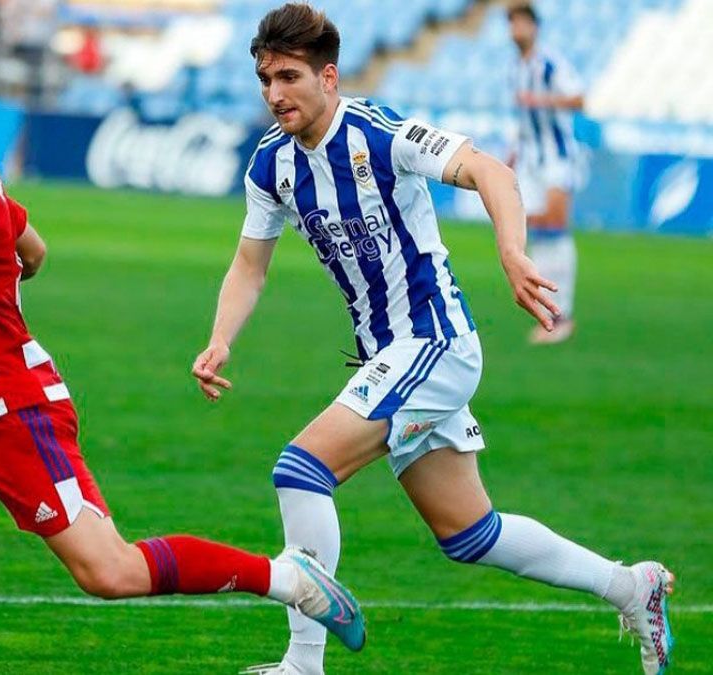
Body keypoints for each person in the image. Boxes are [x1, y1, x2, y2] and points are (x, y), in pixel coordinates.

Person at [0, 44, 363, 675]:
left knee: (111, 571)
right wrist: (16, 263)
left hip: (13, 416)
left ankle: (287, 577)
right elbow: (30, 242)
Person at [190, 5, 673, 674]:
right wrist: (220, 340)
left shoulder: (380, 132)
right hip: (393, 358)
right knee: (471, 533)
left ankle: (302, 664)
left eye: (289, 77)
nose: (275, 94)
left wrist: (511, 249)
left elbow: (491, 172)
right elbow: (250, 264)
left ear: (328, 77)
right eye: (265, 78)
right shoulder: (271, 165)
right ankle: (631, 585)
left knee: (300, 469)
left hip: (433, 343)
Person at [507, 3, 584, 344]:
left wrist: (542, 100)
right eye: (511, 24)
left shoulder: (549, 63)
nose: (515, 30)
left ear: (534, 27)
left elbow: (578, 99)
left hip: (556, 156)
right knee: (536, 235)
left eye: (521, 23)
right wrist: (513, 154)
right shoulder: (516, 68)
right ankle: (549, 315)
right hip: (530, 159)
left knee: (554, 223)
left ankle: (563, 314)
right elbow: (522, 123)